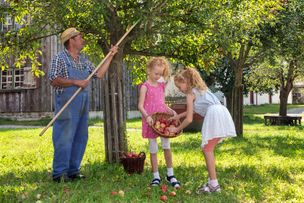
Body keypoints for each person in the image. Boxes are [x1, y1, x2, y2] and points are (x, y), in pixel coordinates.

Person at [48, 27, 118, 183]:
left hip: (82, 104)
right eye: (80, 37)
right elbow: (53, 79)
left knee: (80, 136)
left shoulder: (84, 60)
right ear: (71, 40)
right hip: (67, 104)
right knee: (64, 137)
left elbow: (99, 74)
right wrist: (75, 81)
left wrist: (110, 55)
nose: (83, 39)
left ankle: (73, 170)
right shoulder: (60, 58)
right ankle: (59, 173)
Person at [169, 67, 236, 193]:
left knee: (207, 149)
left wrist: (176, 129)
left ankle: (214, 185)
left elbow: (189, 119)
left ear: (187, 82)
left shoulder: (190, 94)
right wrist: (178, 116)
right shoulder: (202, 89)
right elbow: (194, 110)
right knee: (208, 148)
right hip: (222, 112)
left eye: (180, 86)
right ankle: (213, 183)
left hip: (214, 115)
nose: (179, 90)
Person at [138, 57, 181, 188]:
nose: (158, 76)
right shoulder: (145, 87)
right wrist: (147, 117)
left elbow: (162, 104)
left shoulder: (161, 85)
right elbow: (140, 106)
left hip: (162, 119)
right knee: (153, 148)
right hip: (151, 121)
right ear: (149, 70)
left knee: (166, 146)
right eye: (156, 73)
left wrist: (171, 111)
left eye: (160, 74)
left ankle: (170, 174)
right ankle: (155, 176)